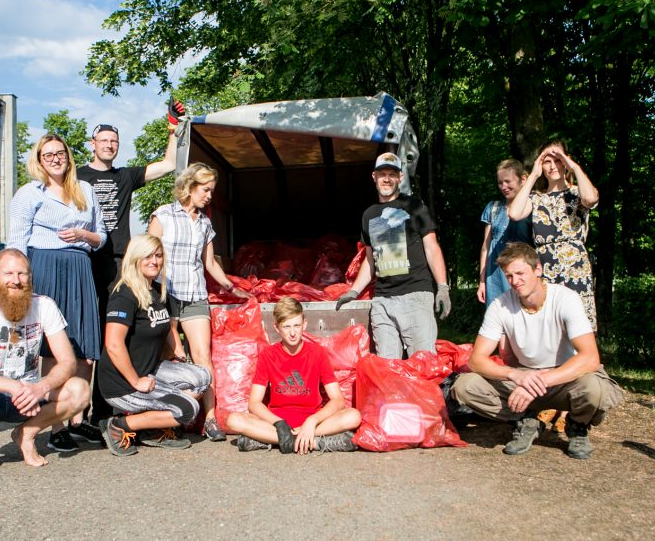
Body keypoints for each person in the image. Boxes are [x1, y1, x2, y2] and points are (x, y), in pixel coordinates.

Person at [451, 243, 623, 459]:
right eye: (509, 276)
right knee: (465, 386)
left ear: (538, 270)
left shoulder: (565, 298)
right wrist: (516, 375)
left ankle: (577, 426)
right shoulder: (499, 306)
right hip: (523, 376)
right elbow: (476, 360)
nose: (515, 281)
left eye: (520, 273)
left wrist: (539, 382)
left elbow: (590, 357)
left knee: (594, 389)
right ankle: (525, 418)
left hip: (564, 378)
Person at [75, 100, 184, 427]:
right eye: (103, 141)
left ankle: (103, 413)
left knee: (115, 334)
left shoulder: (125, 176)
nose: (109, 145)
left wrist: (173, 128)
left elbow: (168, 164)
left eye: (114, 142)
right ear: (92, 144)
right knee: (83, 338)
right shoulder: (75, 176)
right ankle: (73, 417)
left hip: (118, 263)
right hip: (83, 259)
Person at [0, 249, 89, 475]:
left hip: (31, 394)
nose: (16, 281)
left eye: (22, 274)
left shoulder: (44, 305)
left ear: (30, 277)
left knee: (79, 390)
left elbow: (68, 361)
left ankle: (26, 434)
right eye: (9, 273)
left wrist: (40, 387)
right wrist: (14, 387)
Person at [7, 133, 107, 452]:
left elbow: (101, 237)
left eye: (59, 153)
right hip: (45, 266)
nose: (55, 159)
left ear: (68, 156)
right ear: (39, 160)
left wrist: (83, 234)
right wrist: (17, 283)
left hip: (79, 267)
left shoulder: (86, 190)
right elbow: (16, 241)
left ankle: (78, 419)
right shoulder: (29, 193)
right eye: (47, 155)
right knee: (54, 347)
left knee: (84, 345)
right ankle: (57, 426)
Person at [148, 162, 251, 441]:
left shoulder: (205, 223)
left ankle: (210, 418)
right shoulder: (163, 215)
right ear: (190, 187)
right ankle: (167, 419)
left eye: (211, 191)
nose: (209, 196)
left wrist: (233, 288)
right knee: (170, 357)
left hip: (195, 294)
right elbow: (148, 255)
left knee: (203, 356)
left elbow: (209, 264)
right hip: (165, 295)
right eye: (205, 190)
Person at [97, 234, 212, 456]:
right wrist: (136, 380)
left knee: (202, 377)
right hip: (122, 383)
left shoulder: (157, 291)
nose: (154, 261)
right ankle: (118, 427)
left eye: (158, 255)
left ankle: (151, 430)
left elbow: (167, 328)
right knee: (188, 409)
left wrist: (179, 354)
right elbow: (112, 343)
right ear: (135, 259)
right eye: (147, 256)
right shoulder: (124, 294)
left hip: (149, 370)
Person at [336, 153, 451, 359]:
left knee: (422, 365)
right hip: (383, 301)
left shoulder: (415, 207)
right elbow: (370, 259)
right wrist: (353, 291)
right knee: (388, 370)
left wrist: (442, 287)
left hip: (415, 295)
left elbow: (432, 247)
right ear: (374, 177)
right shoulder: (369, 215)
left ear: (400, 178)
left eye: (392, 174)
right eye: (382, 174)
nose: (387, 179)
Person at [227, 297, 362, 453]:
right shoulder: (268, 355)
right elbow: (254, 402)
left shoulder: (317, 353)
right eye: (287, 327)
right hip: (277, 422)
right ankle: (314, 442)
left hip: (313, 420)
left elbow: (337, 400)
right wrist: (278, 423)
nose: (292, 333)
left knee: (353, 416)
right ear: (277, 328)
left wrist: (312, 421)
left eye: (297, 325)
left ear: (304, 324)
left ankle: (273, 440)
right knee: (234, 420)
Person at [508, 140, 599, 330]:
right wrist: (533, 175)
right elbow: (514, 213)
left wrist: (572, 165)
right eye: (547, 161)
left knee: (578, 325)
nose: (552, 166)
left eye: (557, 160)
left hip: (575, 267)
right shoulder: (536, 197)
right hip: (546, 266)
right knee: (550, 325)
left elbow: (590, 198)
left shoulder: (577, 192)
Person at [478, 158, 533, 306]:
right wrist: (482, 281)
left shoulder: (533, 207)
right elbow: (485, 247)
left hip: (522, 276)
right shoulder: (493, 208)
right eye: (500, 183)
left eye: (508, 181)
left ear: (523, 180)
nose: (503, 186)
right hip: (494, 278)